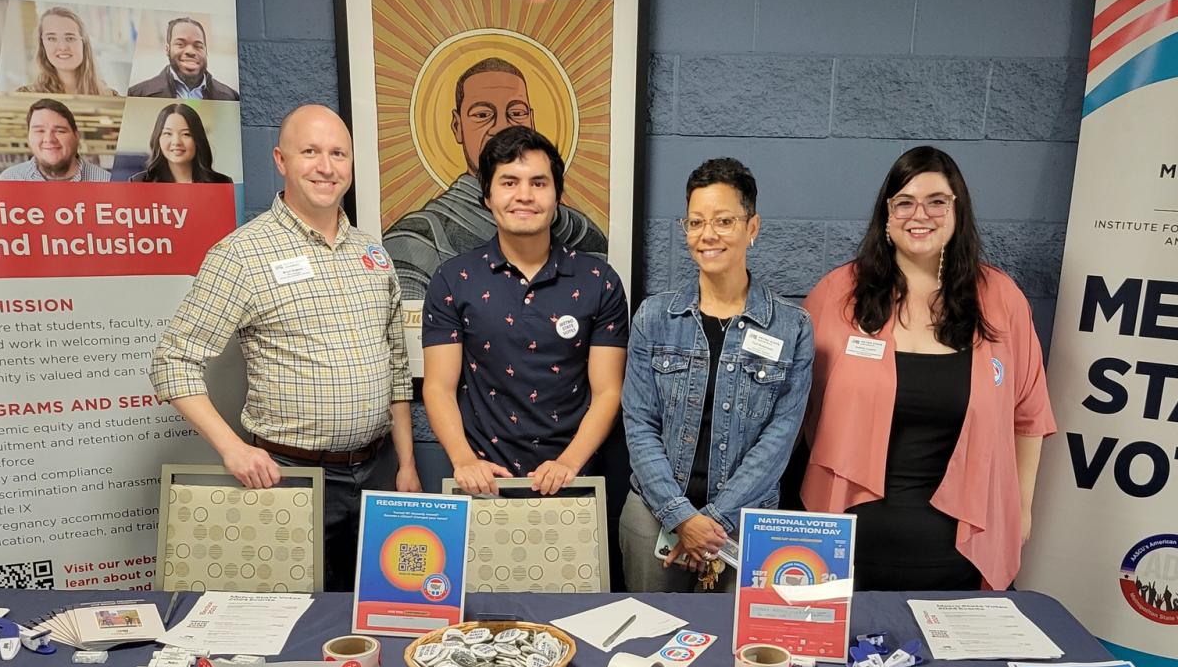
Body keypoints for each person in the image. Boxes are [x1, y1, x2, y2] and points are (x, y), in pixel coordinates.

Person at [150, 104, 418, 590]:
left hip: (379, 475)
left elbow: (397, 366)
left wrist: (407, 466)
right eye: (310, 152)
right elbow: (173, 361)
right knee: (296, 618)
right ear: (280, 159)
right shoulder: (242, 254)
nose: (326, 166)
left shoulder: (373, 254)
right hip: (292, 478)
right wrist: (232, 449)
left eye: (338, 153)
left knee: (384, 612)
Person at [801, 146, 1055, 592]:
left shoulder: (1000, 299)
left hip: (958, 549)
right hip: (845, 543)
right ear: (886, 213)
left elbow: (1028, 415)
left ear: (958, 209)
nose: (920, 214)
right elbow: (799, 404)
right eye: (904, 201)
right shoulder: (838, 294)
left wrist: (1023, 508)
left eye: (937, 200)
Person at [621, 158, 813, 591]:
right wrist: (681, 516)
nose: (707, 235)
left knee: (737, 649)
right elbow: (639, 424)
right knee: (650, 643)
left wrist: (712, 522)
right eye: (695, 222)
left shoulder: (791, 326)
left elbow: (780, 439)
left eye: (724, 221)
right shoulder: (654, 317)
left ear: (753, 227)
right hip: (654, 515)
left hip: (745, 523)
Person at [422, 124, 627, 496]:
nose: (524, 195)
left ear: (557, 194)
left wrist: (568, 463)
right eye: (509, 182)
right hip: (481, 480)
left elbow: (608, 391)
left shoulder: (600, 280)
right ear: (487, 195)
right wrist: (463, 459)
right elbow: (437, 386)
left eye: (538, 182)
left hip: (574, 480)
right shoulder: (452, 279)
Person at [386, 57, 608, 300]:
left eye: (516, 112)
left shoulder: (584, 235)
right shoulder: (419, 238)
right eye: (482, 114)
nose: (502, 126)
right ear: (457, 126)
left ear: (532, 120)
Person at [0, 99, 110, 182]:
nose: (49, 139)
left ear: (76, 136)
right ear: (29, 137)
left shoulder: (105, 181)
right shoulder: (9, 179)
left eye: (60, 131)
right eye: (39, 131)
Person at [128, 17, 238, 101]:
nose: (190, 51)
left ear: (206, 51)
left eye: (198, 46)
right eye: (180, 44)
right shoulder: (137, 94)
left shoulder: (231, 97)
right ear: (167, 49)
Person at [16, 7, 118, 96]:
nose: (63, 47)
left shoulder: (111, 96)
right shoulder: (24, 96)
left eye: (70, 38)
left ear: (84, 43)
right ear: (43, 45)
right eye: (51, 38)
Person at [129, 103, 231, 183]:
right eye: (168, 133)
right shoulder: (138, 182)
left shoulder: (223, 182)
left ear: (198, 139)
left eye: (186, 134)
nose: (176, 142)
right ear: (157, 138)